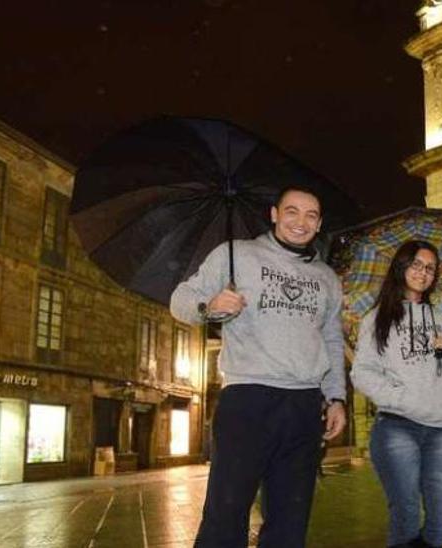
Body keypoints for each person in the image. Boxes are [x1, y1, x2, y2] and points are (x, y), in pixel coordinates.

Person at [171, 185, 348, 547]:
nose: (301, 222)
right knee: (227, 510)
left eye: (311, 215)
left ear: (319, 224)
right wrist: (210, 305)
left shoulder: (327, 278)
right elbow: (180, 300)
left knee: (290, 516)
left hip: (303, 404)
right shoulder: (236, 254)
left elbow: (331, 339)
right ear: (274, 214)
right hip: (248, 399)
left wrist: (336, 398)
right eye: (292, 211)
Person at [351, 240, 442, 548]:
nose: (423, 272)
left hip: (439, 429)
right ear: (401, 267)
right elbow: (361, 372)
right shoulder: (377, 319)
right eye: (416, 264)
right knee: (406, 515)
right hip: (397, 426)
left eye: (430, 268)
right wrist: (399, 397)